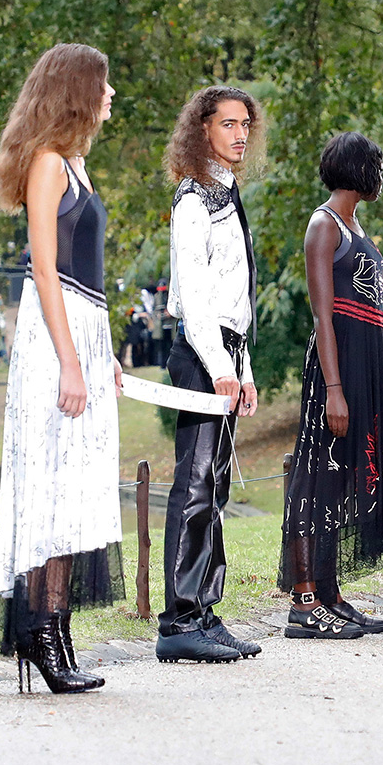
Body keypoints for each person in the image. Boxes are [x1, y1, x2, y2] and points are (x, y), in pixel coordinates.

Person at [0, 43, 127, 692]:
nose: (111, 94)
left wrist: (105, 354)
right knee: (49, 486)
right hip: (54, 337)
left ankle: (58, 627)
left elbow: (86, 273)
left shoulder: (76, 163)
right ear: (76, 91)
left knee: (74, 489)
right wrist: (71, 361)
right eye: (103, 83)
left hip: (83, 330)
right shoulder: (47, 163)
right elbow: (45, 269)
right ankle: (39, 631)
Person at [277, 132, 383, 637]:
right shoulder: (323, 224)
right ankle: (304, 602)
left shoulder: (356, 225)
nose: (381, 177)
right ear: (356, 169)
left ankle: (330, 593)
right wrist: (334, 388)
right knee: (318, 478)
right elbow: (323, 315)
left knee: (349, 476)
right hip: (339, 365)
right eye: (376, 167)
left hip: (368, 362)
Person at [158, 85, 265, 662]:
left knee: (215, 488)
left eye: (245, 124)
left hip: (227, 351)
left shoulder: (227, 192)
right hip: (201, 354)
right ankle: (178, 622)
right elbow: (196, 301)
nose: (240, 134)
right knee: (195, 484)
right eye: (228, 124)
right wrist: (221, 368)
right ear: (203, 129)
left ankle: (203, 611)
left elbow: (235, 301)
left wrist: (243, 370)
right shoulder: (193, 200)